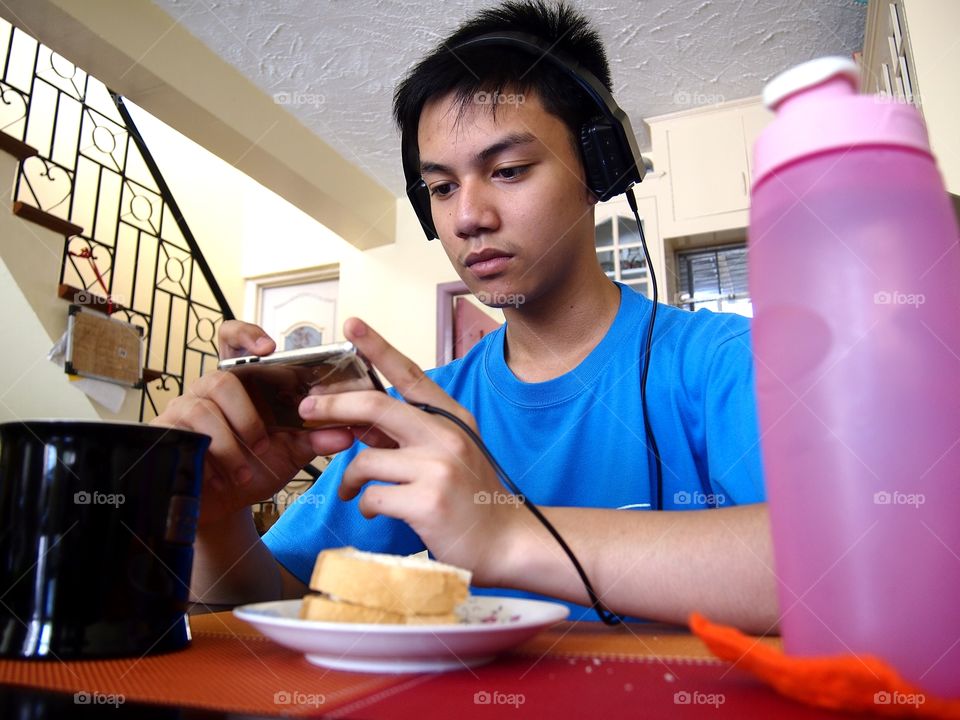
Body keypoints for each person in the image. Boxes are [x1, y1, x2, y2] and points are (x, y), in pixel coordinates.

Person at [154, 0, 777, 631]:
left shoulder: (724, 363)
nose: (466, 218)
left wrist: (509, 535)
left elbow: (847, 562)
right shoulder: (421, 413)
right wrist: (215, 520)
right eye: (443, 188)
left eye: (507, 171)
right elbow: (278, 600)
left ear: (599, 166)